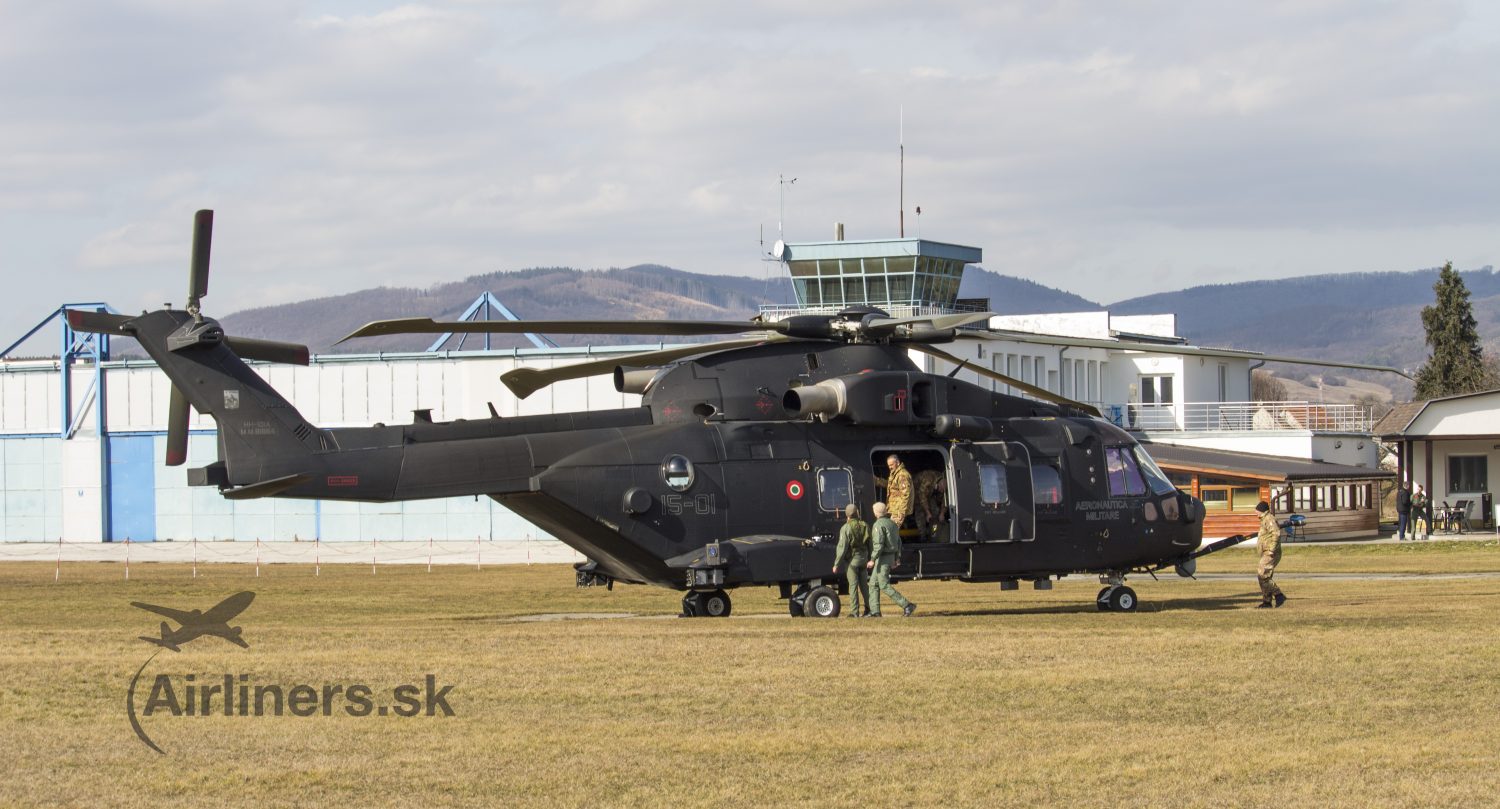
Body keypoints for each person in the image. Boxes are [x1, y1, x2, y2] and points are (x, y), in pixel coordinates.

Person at [867, 502, 916, 617]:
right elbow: (898, 542)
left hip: (882, 558)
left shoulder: (878, 525)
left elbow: (879, 545)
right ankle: (875, 611)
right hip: (888, 557)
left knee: (883, 584)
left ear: (876, 512)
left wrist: (872, 559)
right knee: (873, 584)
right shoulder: (892, 524)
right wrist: (897, 558)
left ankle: (907, 605)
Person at [832, 504, 872, 618]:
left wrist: (836, 564)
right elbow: (870, 544)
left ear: (847, 514)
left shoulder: (846, 528)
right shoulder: (865, 525)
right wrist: (872, 559)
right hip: (864, 559)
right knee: (864, 586)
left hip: (852, 561)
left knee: (853, 586)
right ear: (857, 513)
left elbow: (842, 547)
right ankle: (870, 609)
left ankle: (854, 612)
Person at [1254, 500, 1287, 608]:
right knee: (1265, 576)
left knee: (1262, 575)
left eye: (1257, 511)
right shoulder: (1264, 519)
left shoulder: (1269, 519)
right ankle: (1267, 602)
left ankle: (1278, 595)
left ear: (1261, 510)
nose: (1255, 513)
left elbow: (1276, 534)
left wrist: (1271, 549)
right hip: (1267, 552)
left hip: (1270, 552)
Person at [914, 469, 947, 542]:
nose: (941, 491)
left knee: (936, 512)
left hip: (929, 494)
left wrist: (942, 513)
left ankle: (934, 533)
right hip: (916, 492)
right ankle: (922, 536)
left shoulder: (944, 483)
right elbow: (922, 497)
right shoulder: (928, 479)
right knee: (920, 513)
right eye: (941, 489)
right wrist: (928, 513)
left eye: (943, 491)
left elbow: (945, 501)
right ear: (939, 485)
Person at [884, 454, 914, 529]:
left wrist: (902, 511)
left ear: (897, 463)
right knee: (892, 531)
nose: (890, 467)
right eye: (889, 465)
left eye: (891, 465)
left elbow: (905, 494)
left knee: (892, 531)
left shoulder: (902, 475)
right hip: (894, 508)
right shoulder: (895, 474)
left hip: (898, 510)